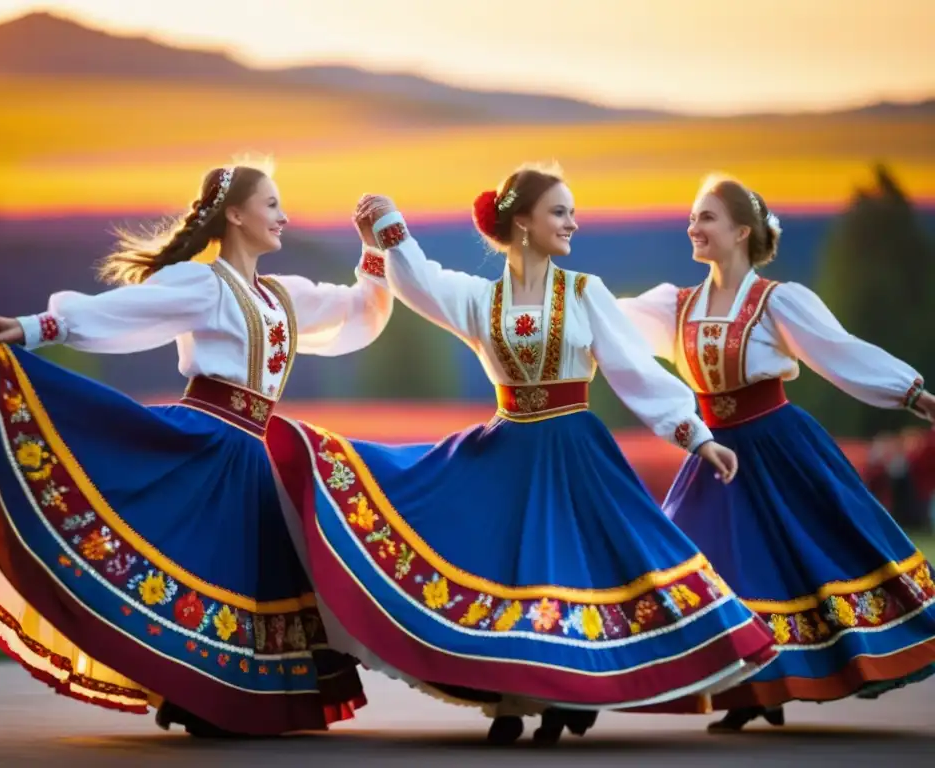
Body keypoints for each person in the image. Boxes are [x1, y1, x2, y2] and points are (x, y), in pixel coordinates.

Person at [265, 165, 778, 746]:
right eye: (559, 211)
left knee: (568, 574)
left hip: (573, 453)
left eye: (572, 212)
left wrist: (695, 433)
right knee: (512, 577)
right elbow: (423, 282)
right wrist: (388, 228)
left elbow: (634, 369)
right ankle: (513, 698)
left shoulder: (585, 293)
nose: (571, 223)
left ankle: (564, 693)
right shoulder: (483, 299)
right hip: (508, 449)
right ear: (524, 222)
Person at [0, 163, 394, 737]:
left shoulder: (284, 297)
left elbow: (359, 313)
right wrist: (33, 327)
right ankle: (200, 696)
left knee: (244, 578)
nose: (283, 216)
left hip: (254, 454)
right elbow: (118, 313)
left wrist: (373, 249)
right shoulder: (203, 284)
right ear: (235, 215)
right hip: (205, 444)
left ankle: (221, 698)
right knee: (204, 569)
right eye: (270, 204)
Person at [616, 173, 935, 732]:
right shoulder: (675, 306)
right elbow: (606, 319)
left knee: (793, 562)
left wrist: (914, 394)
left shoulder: (774, 302)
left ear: (741, 231)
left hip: (778, 446)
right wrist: (554, 302)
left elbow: (840, 353)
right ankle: (749, 688)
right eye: (692, 217)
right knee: (702, 565)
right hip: (714, 455)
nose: (694, 226)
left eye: (706, 217)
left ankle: (768, 687)